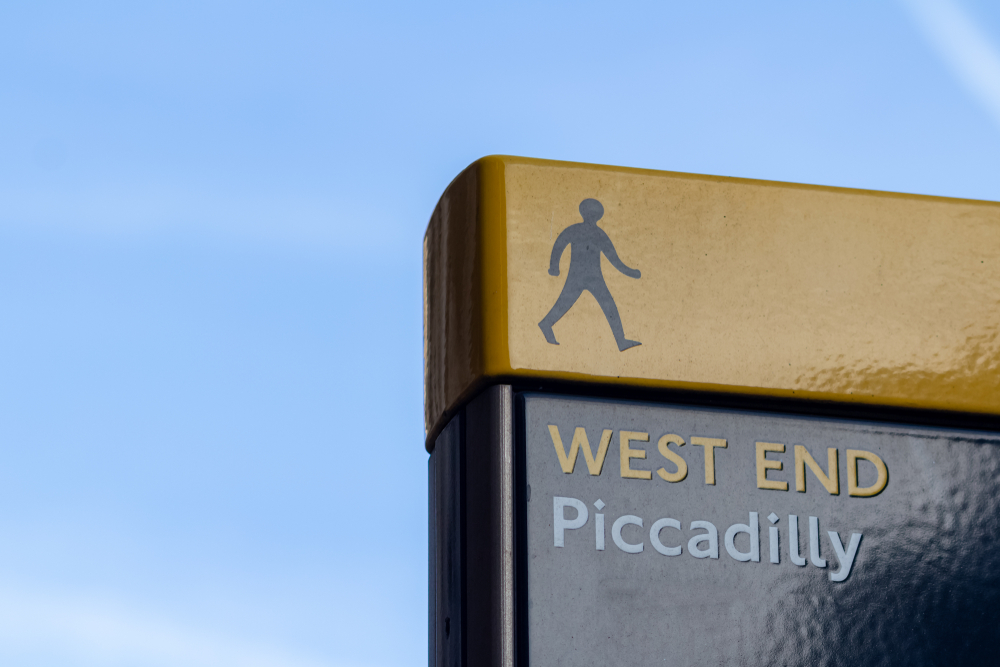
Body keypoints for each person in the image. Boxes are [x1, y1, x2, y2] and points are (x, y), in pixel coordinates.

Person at [538, 198, 641, 351]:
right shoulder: (587, 231)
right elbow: (560, 244)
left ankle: (621, 341)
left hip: (594, 277)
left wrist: (631, 272)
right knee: (565, 303)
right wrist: (553, 267)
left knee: (608, 306)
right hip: (578, 276)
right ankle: (546, 324)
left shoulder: (595, 233)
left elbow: (614, 259)